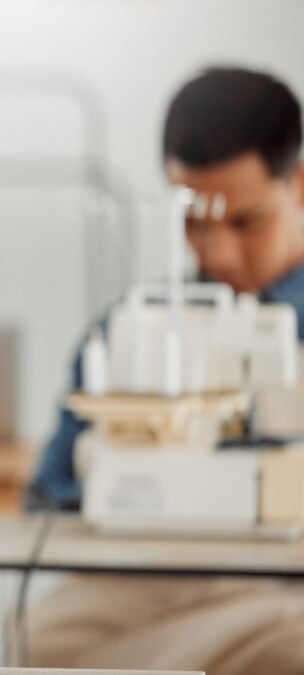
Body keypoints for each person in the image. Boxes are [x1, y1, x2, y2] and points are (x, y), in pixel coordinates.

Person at [25, 66, 304, 675]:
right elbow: (50, 493)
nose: (217, 251)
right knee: (34, 638)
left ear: (300, 184)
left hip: (290, 583)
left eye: (245, 221)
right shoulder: (130, 330)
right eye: (193, 222)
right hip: (152, 580)